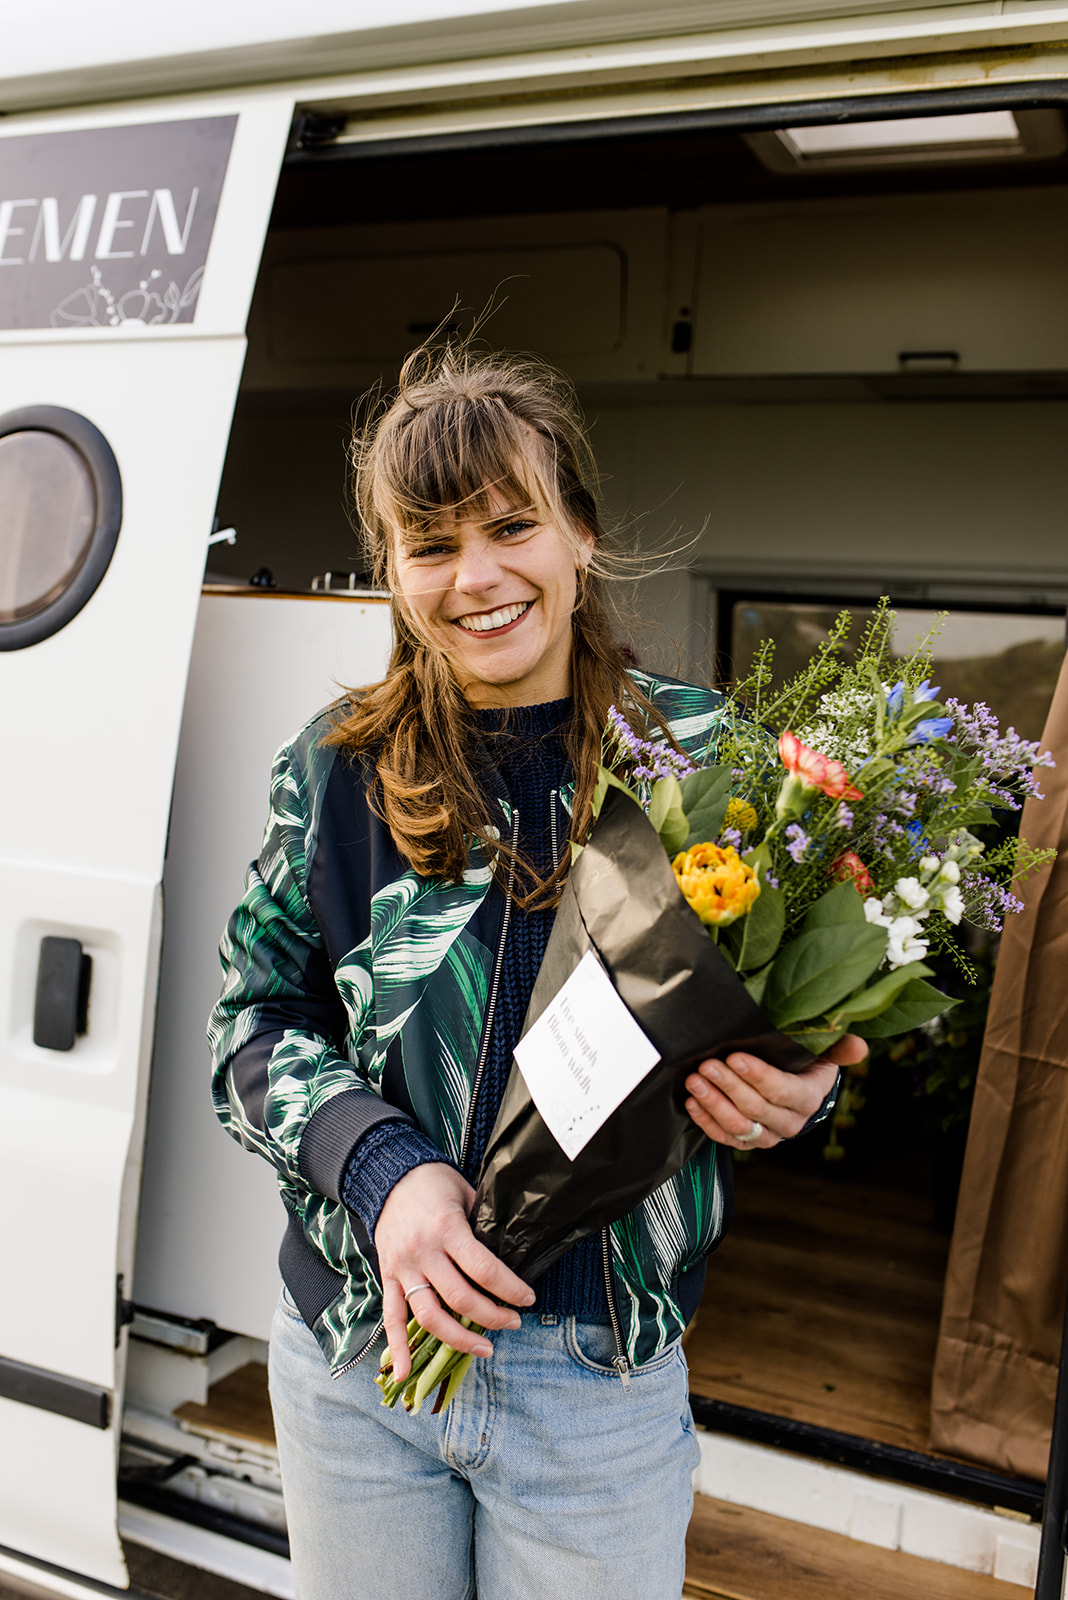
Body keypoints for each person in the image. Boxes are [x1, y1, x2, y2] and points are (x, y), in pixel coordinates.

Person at [208, 345, 862, 1600]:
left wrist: (801, 1094)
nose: (480, 576)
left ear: (581, 535)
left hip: (595, 1378)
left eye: (513, 525)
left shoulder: (708, 764)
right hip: (359, 1358)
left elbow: (792, 1023)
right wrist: (388, 1180)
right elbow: (251, 1024)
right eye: (432, 544)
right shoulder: (335, 771)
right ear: (395, 574)